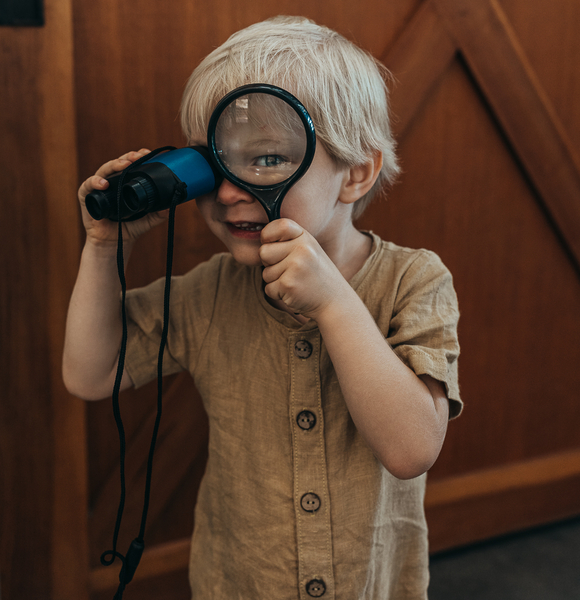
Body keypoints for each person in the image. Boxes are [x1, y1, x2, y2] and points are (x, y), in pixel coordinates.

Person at [63, 15, 461, 600]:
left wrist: (331, 302)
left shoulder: (412, 280)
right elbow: (90, 373)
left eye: (269, 159)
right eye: (215, 164)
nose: (228, 193)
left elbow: (411, 449)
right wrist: (103, 248)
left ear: (355, 174)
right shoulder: (208, 292)